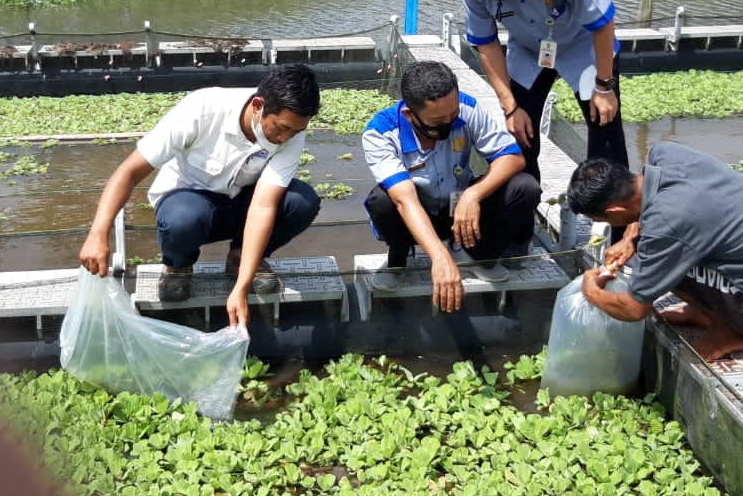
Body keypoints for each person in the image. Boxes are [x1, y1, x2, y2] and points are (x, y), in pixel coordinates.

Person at [77, 64, 322, 328]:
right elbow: (130, 172)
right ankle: (178, 267)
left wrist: (242, 286)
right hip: (189, 204)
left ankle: (240, 258)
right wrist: (98, 234)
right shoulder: (203, 108)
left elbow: (263, 204)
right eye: (281, 128)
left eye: (294, 132)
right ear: (258, 105)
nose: (285, 138)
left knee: (302, 201)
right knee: (183, 219)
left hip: (241, 203)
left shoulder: (292, 132)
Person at [565, 144, 743, 360]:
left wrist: (592, 292)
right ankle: (708, 312)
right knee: (650, 251)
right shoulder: (665, 155)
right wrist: (631, 235)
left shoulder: (666, 223)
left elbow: (633, 309)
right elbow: (644, 204)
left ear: (615, 213)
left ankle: (729, 331)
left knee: (652, 261)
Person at [453, 0, 628, 180]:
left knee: (604, 132)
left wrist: (604, 86)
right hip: (527, 51)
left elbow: (602, 23)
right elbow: (486, 44)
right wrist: (510, 107)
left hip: (582, 49)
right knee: (520, 136)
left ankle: (620, 220)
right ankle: (526, 213)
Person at [361, 61, 542, 313]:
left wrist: (473, 194)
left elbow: (512, 157)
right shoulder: (380, 132)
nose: (449, 123)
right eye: (437, 121)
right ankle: (398, 260)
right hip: (416, 216)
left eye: (453, 115)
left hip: (460, 212)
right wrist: (439, 257)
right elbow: (405, 200)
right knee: (381, 200)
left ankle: (479, 255)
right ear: (409, 115)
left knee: (525, 187)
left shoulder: (467, 107)